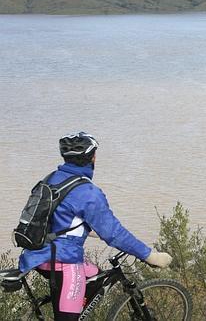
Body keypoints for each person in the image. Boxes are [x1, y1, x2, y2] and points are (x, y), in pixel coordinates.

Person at [18, 132, 172, 321]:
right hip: (64, 262)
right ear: (93, 157)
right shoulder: (88, 193)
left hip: (36, 254)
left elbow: (58, 217)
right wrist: (149, 255)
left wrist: (86, 230)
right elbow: (114, 233)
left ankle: (70, 304)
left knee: (96, 279)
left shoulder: (52, 179)